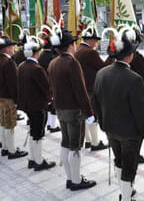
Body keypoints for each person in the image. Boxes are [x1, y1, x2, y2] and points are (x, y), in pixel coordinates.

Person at [92, 26, 144, 201]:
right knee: (129, 167)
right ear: (129, 55)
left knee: (119, 161)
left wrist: (102, 122)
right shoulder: (134, 79)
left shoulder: (101, 73)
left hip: (110, 129)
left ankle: (124, 191)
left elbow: (95, 102)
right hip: (130, 133)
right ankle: (126, 197)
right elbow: (141, 113)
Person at [48, 28, 96, 191]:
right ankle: (75, 181)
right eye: (74, 43)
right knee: (75, 146)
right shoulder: (72, 62)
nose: (75, 45)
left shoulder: (53, 62)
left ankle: (70, 178)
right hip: (74, 111)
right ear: (70, 45)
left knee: (65, 142)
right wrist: (89, 112)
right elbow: (80, 90)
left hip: (60, 109)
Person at [17, 35, 56, 171]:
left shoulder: (22, 66)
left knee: (33, 131)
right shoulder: (37, 69)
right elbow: (46, 87)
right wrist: (50, 98)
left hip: (27, 105)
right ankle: (38, 161)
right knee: (38, 133)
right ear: (36, 53)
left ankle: (32, 159)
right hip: (38, 105)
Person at [75, 25, 108, 152]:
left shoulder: (78, 49)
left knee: (86, 114)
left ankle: (88, 141)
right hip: (91, 87)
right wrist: (112, 55)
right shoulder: (90, 52)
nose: (96, 43)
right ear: (90, 40)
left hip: (82, 87)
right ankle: (95, 143)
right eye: (95, 40)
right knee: (93, 114)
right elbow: (103, 67)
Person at [0, 36, 28, 159]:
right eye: (11, 46)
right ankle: (11, 151)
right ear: (6, 49)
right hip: (8, 98)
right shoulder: (9, 63)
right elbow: (13, 84)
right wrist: (17, 100)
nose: (14, 48)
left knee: (2, 122)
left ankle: (5, 148)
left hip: (0, 97)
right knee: (10, 124)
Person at [38, 36, 60, 133]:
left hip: (43, 81)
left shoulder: (41, 55)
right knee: (53, 105)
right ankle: (53, 125)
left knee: (47, 104)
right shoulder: (52, 56)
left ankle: (49, 124)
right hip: (51, 82)